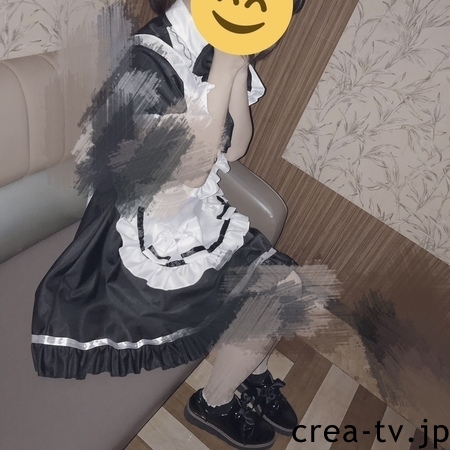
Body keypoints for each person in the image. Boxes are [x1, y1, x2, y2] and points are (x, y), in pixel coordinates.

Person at [31, 0, 307, 448]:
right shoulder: (147, 60)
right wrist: (223, 73)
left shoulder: (217, 46)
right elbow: (189, 171)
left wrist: (235, 70)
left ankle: (248, 370)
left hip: (189, 213)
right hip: (136, 231)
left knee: (277, 291)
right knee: (281, 290)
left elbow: (235, 148)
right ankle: (213, 403)